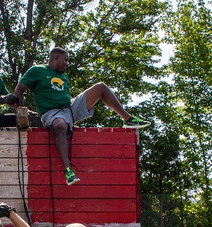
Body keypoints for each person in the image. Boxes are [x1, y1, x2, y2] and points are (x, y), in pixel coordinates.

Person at [13, 47, 151, 185]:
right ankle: (68, 171)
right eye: (65, 60)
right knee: (60, 125)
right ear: (56, 58)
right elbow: (19, 89)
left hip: (70, 107)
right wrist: (20, 112)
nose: (67, 63)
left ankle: (128, 119)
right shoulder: (37, 71)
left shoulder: (63, 76)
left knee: (100, 87)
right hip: (51, 113)